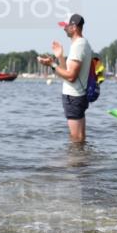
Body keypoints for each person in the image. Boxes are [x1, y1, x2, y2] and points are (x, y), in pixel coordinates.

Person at [37, 13, 92, 143]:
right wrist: (60, 56)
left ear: (74, 27)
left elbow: (71, 76)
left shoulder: (78, 45)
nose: (64, 29)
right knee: (79, 138)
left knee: (76, 139)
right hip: (77, 96)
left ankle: (75, 163)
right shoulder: (81, 44)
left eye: (66, 26)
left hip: (74, 97)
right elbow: (67, 73)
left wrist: (51, 64)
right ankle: (81, 162)